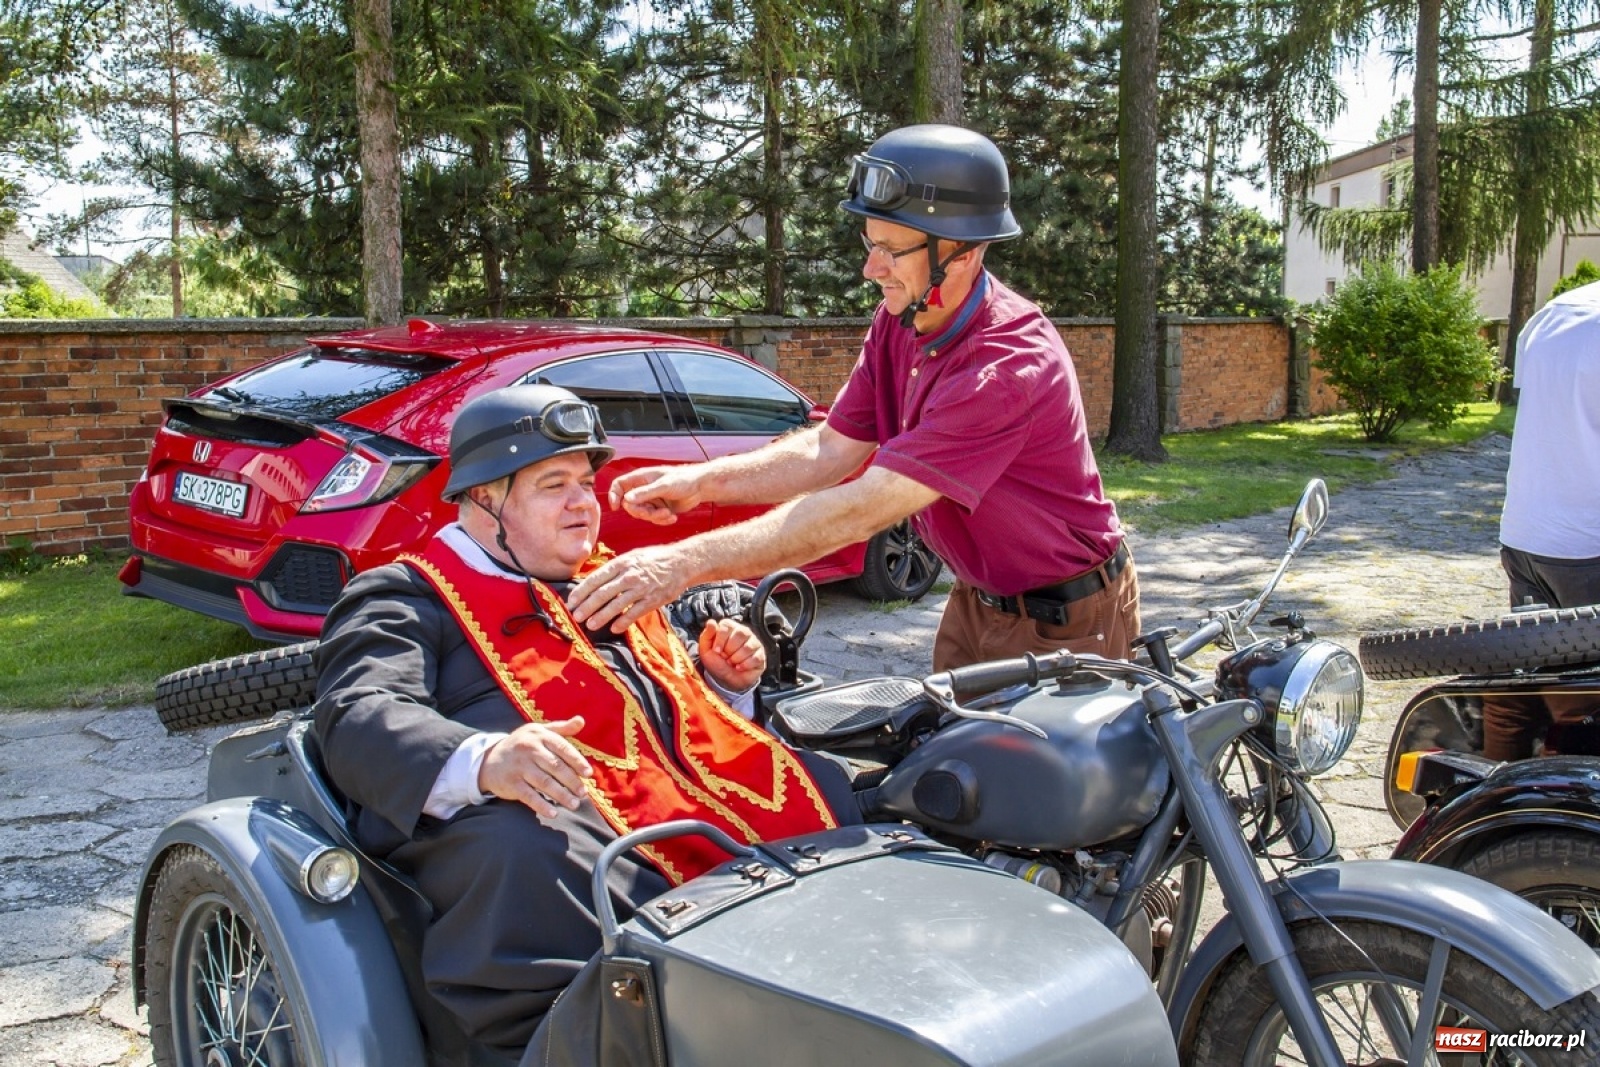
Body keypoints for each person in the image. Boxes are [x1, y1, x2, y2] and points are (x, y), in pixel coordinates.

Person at [312, 384, 857, 1058]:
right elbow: (357, 713)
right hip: (562, 837)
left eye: (586, 482)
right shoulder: (408, 593)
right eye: (553, 484)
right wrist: (487, 759)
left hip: (674, 815)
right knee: (531, 851)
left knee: (829, 783)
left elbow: (654, 723)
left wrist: (722, 685)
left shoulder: (611, 578)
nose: (583, 502)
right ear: (484, 498)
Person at [568, 123, 1139, 672]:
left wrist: (680, 564)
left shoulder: (1006, 365)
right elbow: (829, 450)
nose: (872, 268)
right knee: (947, 762)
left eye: (892, 250)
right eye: (870, 242)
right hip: (977, 603)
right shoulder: (901, 319)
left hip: (1068, 617)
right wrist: (701, 483)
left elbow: (862, 508)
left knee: (1048, 772)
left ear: (962, 252)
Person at [1483, 279, 1600, 761]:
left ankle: (1497, 808)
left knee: (1530, 677)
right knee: (1585, 705)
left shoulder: (1555, 312)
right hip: (1589, 543)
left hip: (1528, 535)